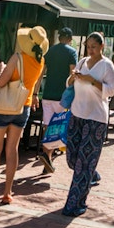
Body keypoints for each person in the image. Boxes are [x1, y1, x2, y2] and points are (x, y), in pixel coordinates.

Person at [0, 26, 48, 207]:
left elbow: (1, 82)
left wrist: (1, 69)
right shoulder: (40, 61)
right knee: (12, 149)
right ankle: (7, 193)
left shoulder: (17, 57)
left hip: (4, 107)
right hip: (23, 107)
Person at [61, 32, 114, 217]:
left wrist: (91, 80)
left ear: (102, 47)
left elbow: (111, 90)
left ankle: (74, 204)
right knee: (72, 158)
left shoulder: (107, 65)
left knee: (82, 165)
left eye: (94, 47)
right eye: (88, 46)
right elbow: (69, 83)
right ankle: (92, 173)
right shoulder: (82, 62)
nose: (90, 50)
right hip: (77, 114)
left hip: (96, 118)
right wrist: (72, 78)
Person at [37, 26, 77, 174]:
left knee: (47, 126)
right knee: (58, 127)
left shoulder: (50, 51)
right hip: (62, 96)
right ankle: (48, 157)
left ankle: (47, 158)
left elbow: (41, 73)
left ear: (59, 37)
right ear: (70, 39)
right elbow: (72, 75)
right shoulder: (72, 52)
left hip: (47, 94)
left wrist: (35, 93)